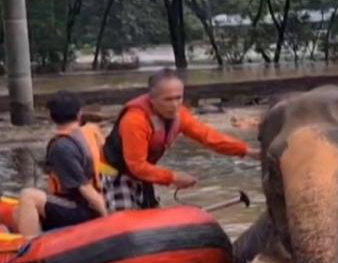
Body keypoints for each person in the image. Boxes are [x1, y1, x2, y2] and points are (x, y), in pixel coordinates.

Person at [101, 68, 259, 211]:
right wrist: (173, 178)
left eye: (179, 98)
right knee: (129, 221)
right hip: (114, 172)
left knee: (153, 214)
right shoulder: (135, 120)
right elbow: (137, 166)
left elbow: (209, 137)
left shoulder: (180, 116)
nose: (174, 105)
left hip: (144, 175)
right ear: (152, 99)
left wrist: (247, 151)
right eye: (168, 100)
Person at [14, 91, 108, 236]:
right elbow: (101, 168)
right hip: (97, 197)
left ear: (51, 117)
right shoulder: (90, 132)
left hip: (84, 207)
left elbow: (84, 188)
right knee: (17, 211)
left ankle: (30, 249)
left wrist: (107, 216)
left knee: (27, 196)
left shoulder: (62, 147)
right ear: (79, 114)